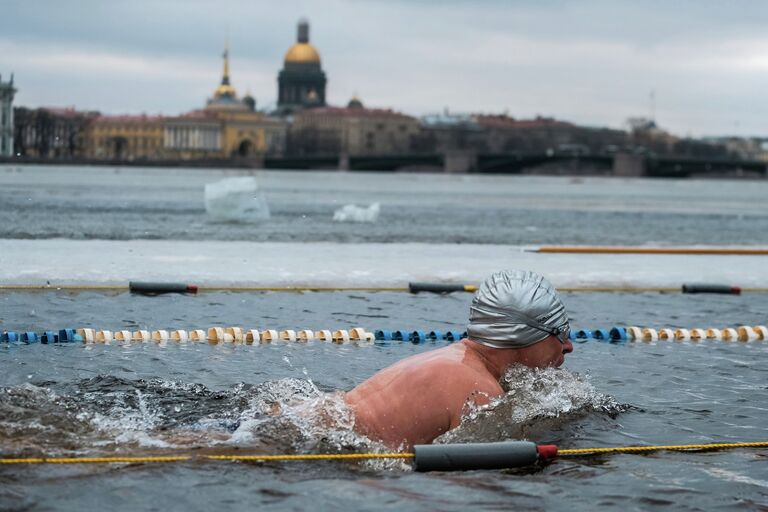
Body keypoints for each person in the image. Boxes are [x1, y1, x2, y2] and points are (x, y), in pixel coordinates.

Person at [344, 270, 574, 451]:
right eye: (561, 332)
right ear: (524, 334)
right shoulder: (481, 393)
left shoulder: (450, 359)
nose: (568, 346)